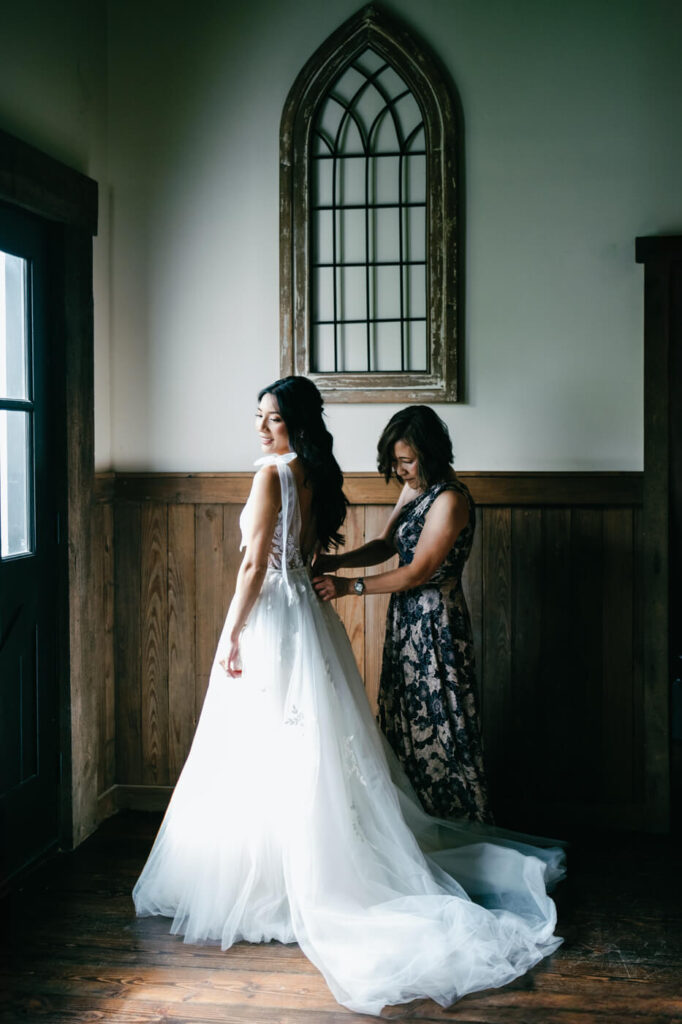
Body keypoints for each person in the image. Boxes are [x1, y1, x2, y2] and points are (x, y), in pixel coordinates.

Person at [133, 376, 565, 1017]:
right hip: (308, 613)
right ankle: (296, 864)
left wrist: (232, 633)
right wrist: (337, 573)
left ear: (293, 424)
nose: (260, 429)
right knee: (314, 742)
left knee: (292, 743)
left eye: (271, 419)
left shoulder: (282, 476)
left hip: (335, 621)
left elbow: (260, 566)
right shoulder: (319, 475)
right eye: (258, 417)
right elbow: (361, 547)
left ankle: (288, 878)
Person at [313, 406, 490, 823]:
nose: (400, 470)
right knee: (405, 715)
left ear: (431, 453)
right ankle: (414, 820)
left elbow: (419, 571)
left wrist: (348, 588)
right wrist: (336, 563)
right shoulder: (416, 489)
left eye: (406, 460)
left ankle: (457, 820)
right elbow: (385, 544)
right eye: (394, 461)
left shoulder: (450, 499)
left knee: (441, 717)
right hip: (406, 621)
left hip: (437, 622)